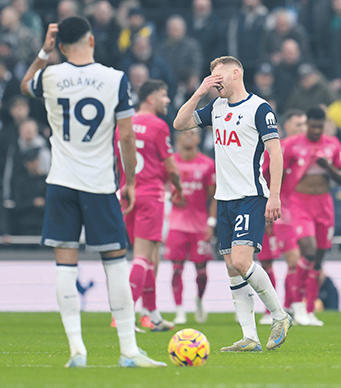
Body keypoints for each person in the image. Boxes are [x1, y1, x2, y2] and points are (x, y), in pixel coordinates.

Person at [20, 17, 165, 368]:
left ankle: (77, 350)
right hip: (100, 185)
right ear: (92, 40)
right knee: (115, 264)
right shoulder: (114, 78)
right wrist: (129, 180)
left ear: (61, 44)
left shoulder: (51, 76)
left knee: (65, 266)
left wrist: (44, 51)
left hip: (61, 182)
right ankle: (128, 351)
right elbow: (127, 137)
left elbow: (26, 85)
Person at [174, 55, 292, 352]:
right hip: (224, 198)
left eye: (219, 77)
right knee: (231, 267)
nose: (216, 83)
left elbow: (275, 154)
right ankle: (250, 336)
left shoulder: (259, 108)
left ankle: (279, 315)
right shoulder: (215, 106)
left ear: (236, 73)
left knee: (241, 261)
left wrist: (274, 195)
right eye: (211, 78)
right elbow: (180, 123)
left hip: (250, 196)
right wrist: (200, 91)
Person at [119, 80, 181, 332]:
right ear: (150, 98)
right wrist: (178, 187)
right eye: (164, 95)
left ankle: (152, 314)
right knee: (143, 257)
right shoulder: (158, 125)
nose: (167, 100)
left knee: (150, 256)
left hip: (127, 193)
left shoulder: (124, 124)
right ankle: (125, 314)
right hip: (151, 194)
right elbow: (170, 166)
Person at [281, 107, 341, 326]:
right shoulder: (292, 145)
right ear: (307, 124)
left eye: (320, 126)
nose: (317, 130)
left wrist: (327, 167)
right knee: (307, 251)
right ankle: (297, 304)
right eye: (313, 126)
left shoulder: (333, 145)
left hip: (324, 205)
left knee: (318, 258)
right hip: (300, 203)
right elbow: (277, 172)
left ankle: (310, 310)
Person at [257, 109, 306, 325]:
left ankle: (291, 306)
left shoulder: (307, 150)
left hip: (291, 211)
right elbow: (262, 176)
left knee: (294, 260)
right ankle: (271, 310)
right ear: (286, 127)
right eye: (298, 125)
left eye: (304, 125)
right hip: (270, 209)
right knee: (266, 260)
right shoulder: (276, 150)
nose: (302, 130)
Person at [164, 128, 216, 325]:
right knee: (176, 268)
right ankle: (179, 310)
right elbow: (161, 187)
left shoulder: (207, 164)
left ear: (199, 138)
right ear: (177, 138)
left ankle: (200, 300)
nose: (188, 136)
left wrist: (211, 223)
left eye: (193, 133)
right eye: (185, 133)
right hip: (177, 223)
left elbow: (214, 197)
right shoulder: (171, 163)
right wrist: (170, 196)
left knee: (201, 270)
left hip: (200, 225)